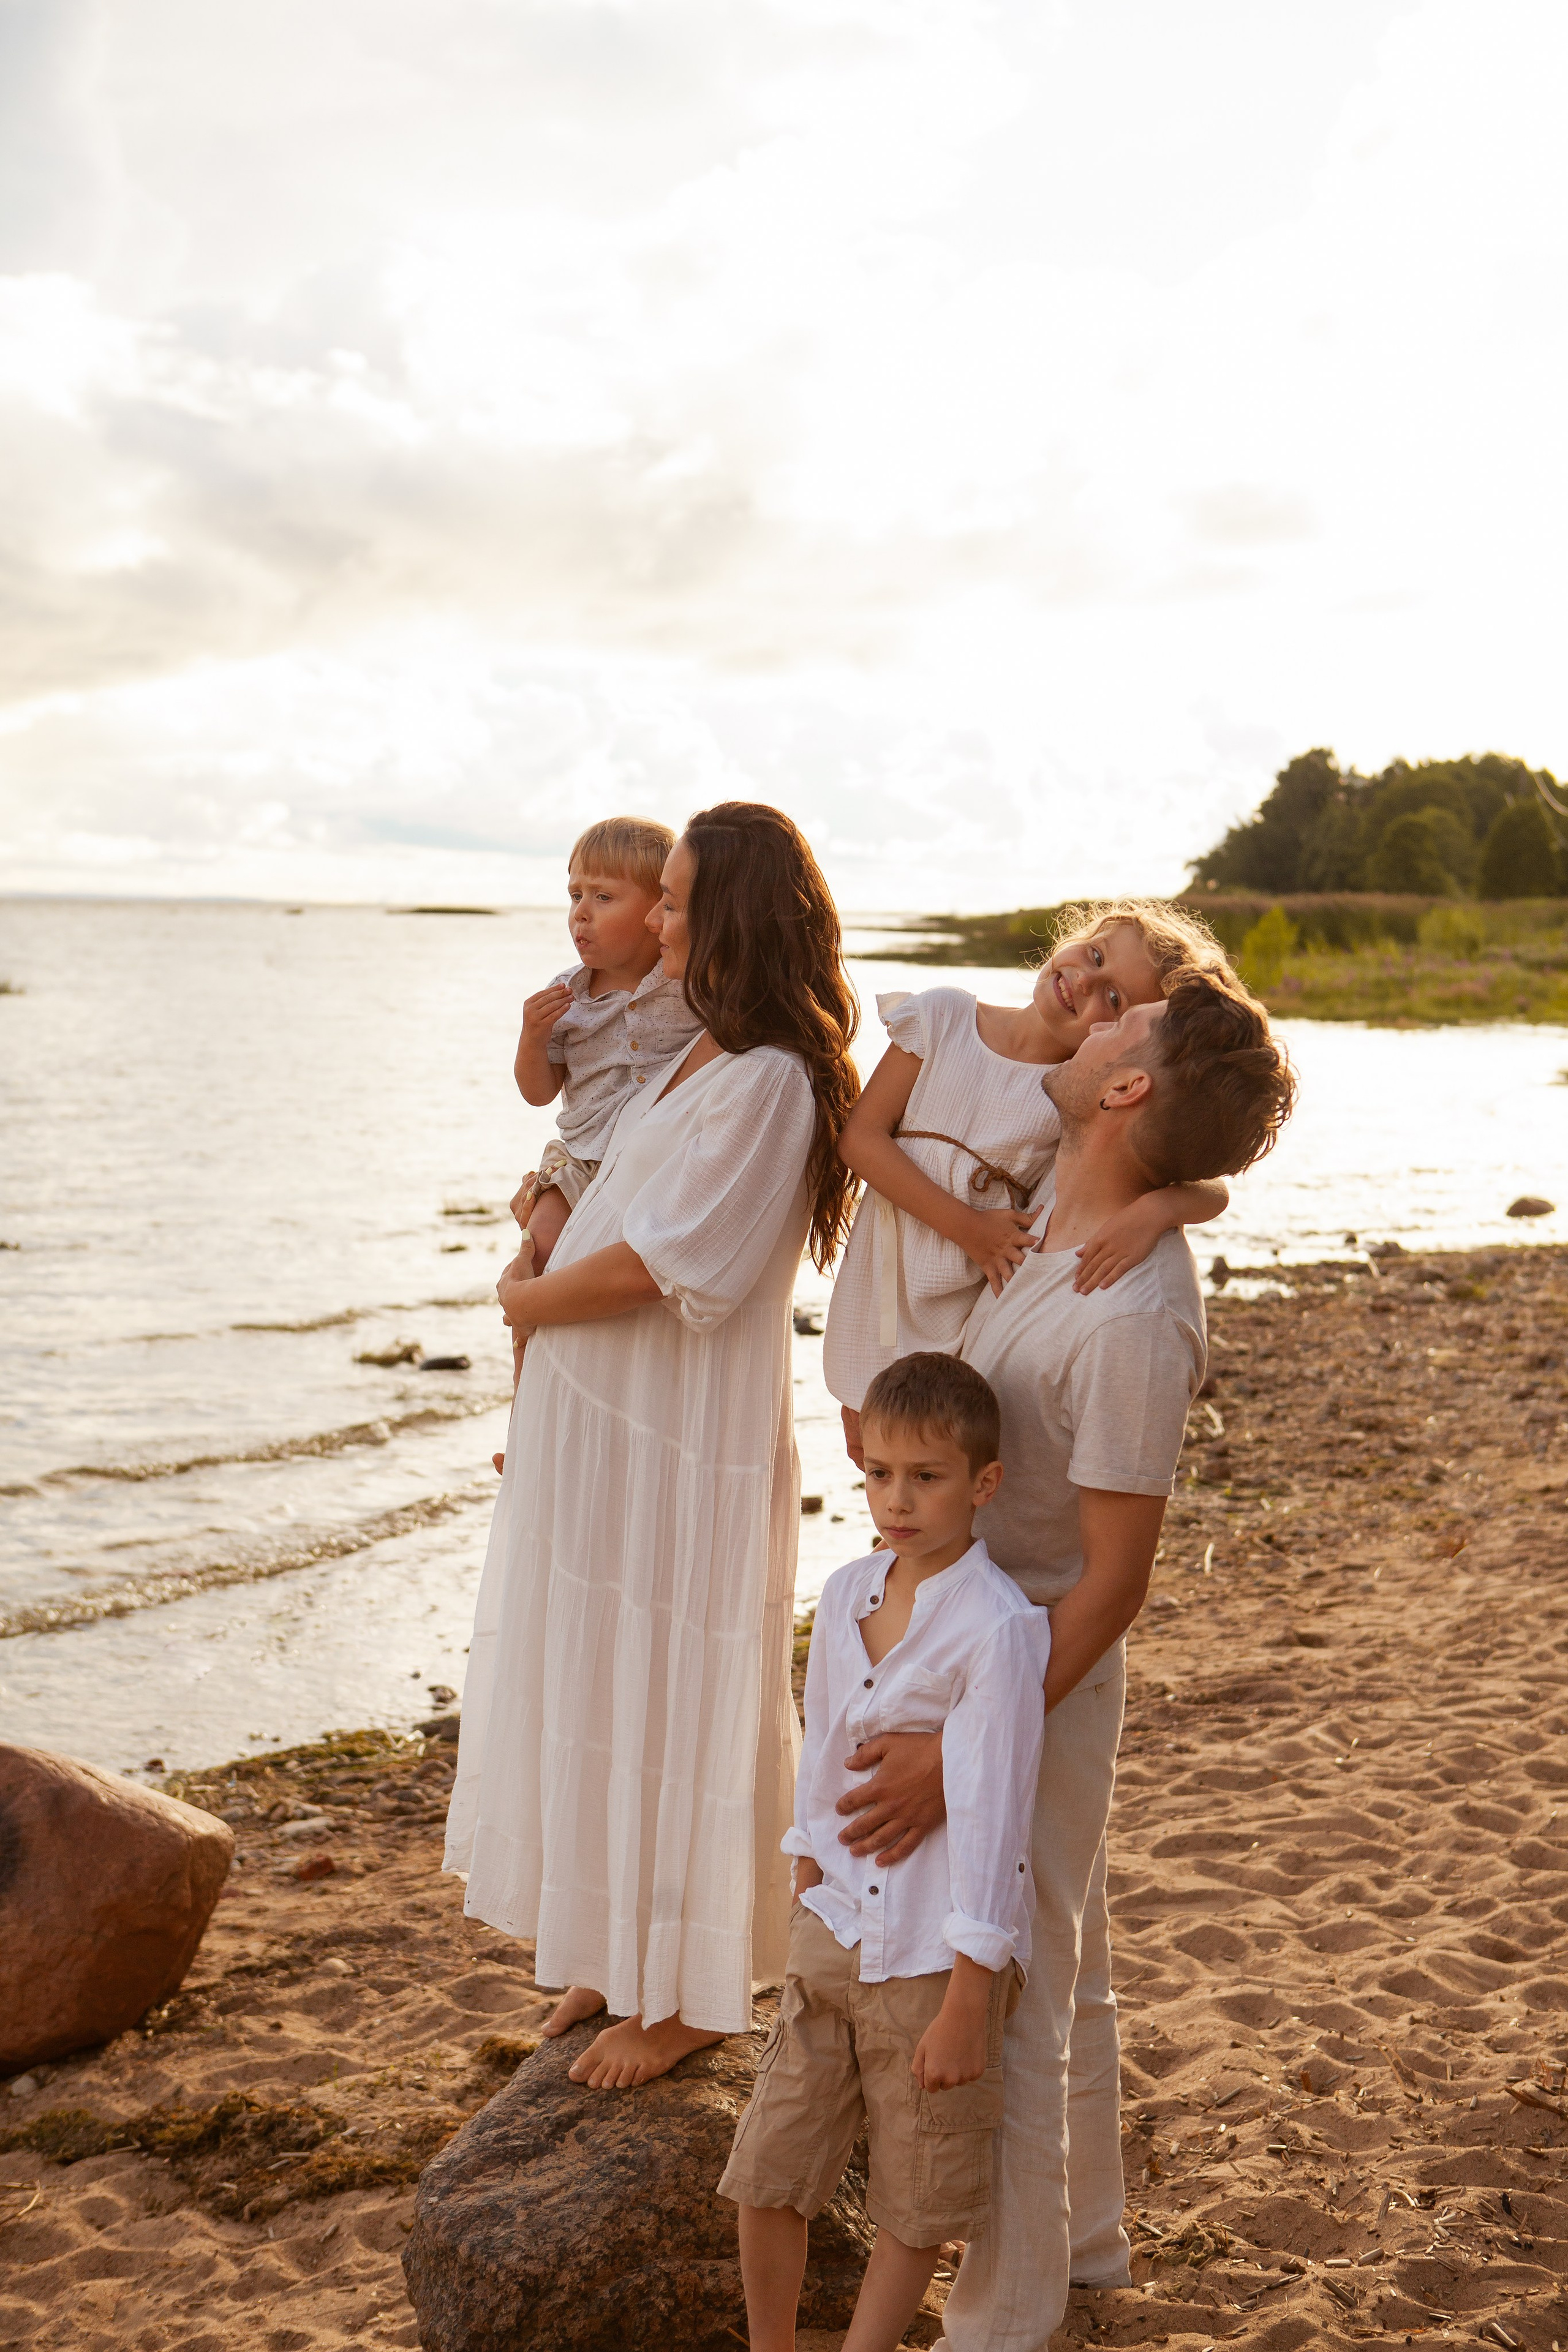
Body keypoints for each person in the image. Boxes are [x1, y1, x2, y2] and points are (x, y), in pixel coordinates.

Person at [829, 967, 1296, 2351]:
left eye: (1118, 1025)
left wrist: (957, 1747)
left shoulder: (1133, 1315)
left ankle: (1003, 2317)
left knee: (1014, 1988)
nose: (1086, 1024)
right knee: (1061, 1958)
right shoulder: (1054, 1227)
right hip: (972, 1655)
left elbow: (1115, 1582)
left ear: (1125, 1085)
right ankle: (1083, 2244)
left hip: (1031, 1675)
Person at [445, 802, 860, 2090]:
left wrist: (522, 1302)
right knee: (601, 1687)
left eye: (675, 900)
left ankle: (686, 1999)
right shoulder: (693, 1055)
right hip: (606, 1441)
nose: (657, 919)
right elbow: (602, 1186)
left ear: (729, 914)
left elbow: (668, 1264)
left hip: (675, 1450)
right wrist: (537, 1225)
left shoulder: (772, 1079)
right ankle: (620, 1953)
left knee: (679, 1696)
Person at [720, 1353, 1051, 2352]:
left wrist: (966, 1998)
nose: (898, 1500)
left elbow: (995, 1816)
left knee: (917, 2198)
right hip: (834, 1934)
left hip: (929, 1957)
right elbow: (822, 1744)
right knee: (768, 2169)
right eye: (879, 1474)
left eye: (927, 1477)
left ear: (982, 1484)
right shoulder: (849, 1589)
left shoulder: (999, 1628)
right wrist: (806, 1872)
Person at [824, 903, 1233, 1468]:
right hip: (884, 1295)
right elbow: (860, 1141)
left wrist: (1158, 1210)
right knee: (875, 1459)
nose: (1085, 981)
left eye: (1113, 999)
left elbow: (1211, 1188)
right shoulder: (944, 1021)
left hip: (967, 1320)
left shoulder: (1076, 1093)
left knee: (936, 1466)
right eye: (1094, 955)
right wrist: (970, 1229)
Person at [510, 815, 702, 1274]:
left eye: (603, 897)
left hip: (660, 1161)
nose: (581, 912)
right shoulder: (566, 993)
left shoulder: (687, 986)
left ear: (660, 909)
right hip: (582, 1160)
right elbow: (539, 1092)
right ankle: (524, 1342)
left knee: (634, 1264)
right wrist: (532, 1038)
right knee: (538, 1252)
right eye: (575, 895)